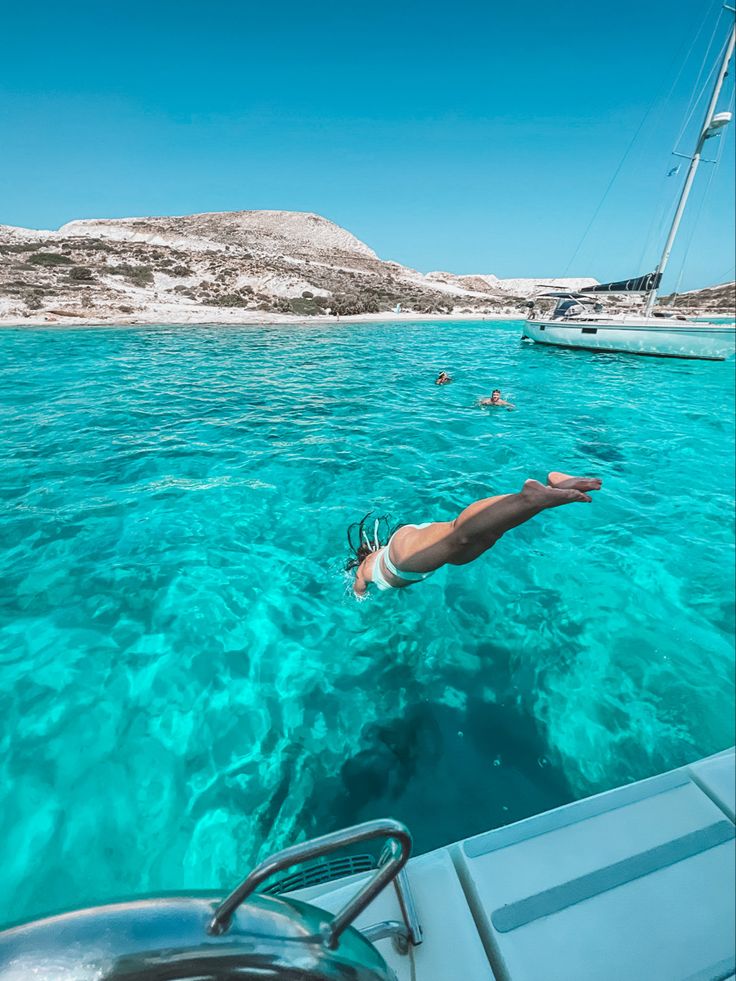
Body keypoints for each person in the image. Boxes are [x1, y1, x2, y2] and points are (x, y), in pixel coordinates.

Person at [348, 472, 602, 597]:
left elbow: (359, 587)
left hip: (402, 559)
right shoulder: (376, 560)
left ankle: (530, 495)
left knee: (458, 532)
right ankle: (550, 491)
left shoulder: (366, 568)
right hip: (415, 559)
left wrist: (358, 598)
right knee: (488, 535)